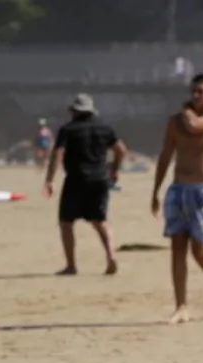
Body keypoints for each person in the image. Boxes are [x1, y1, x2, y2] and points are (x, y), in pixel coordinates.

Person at [151, 73, 203, 323]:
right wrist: (155, 190)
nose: (196, 96)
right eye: (193, 92)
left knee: (200, 252)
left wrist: (187, 113)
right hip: (178, 189)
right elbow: (166, 154)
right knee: (177, 248)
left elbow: (195, 126)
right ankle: (182, 306)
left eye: (201, 91)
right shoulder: (175, 121)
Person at [45, 93, 126, 276]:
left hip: (76, 179)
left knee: (66, 222)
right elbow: (121, 150)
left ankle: (71, 265)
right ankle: (111, 256)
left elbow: (57, 155)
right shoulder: (105, 128)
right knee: (100, 221)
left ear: (74, 111)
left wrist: (50, 180)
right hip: (100, 179)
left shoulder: (68, 130)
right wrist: (115, 169)